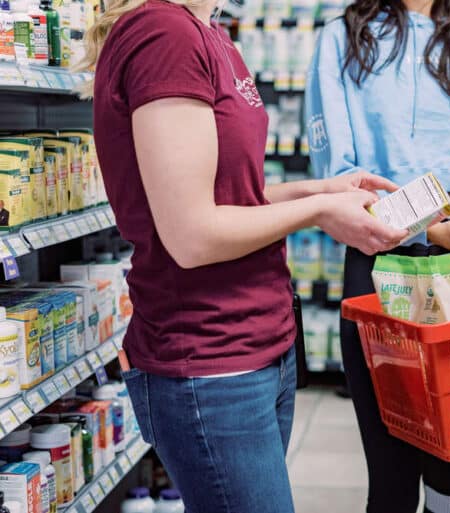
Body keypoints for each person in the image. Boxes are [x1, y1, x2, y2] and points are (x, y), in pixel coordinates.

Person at [80, 0, 407, 511]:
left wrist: (319, 190)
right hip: (210, 358)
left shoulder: (206, 30)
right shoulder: (164, 33)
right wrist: (320, 210)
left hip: (258, 347)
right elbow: (193, 236)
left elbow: (227, 197)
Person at [306, 1, 450, 512]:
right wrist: (432, 226)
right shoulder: (343, 37)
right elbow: (338, 175)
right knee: (390, 468)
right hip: (377, 261)